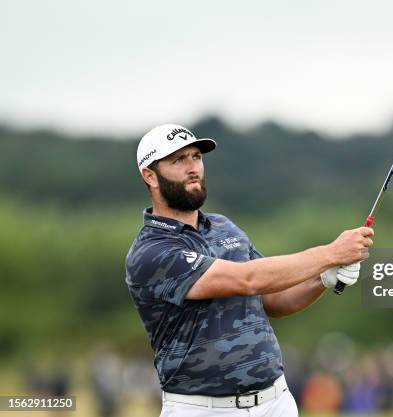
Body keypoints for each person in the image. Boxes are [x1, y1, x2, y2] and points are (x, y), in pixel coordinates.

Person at [125, 123, 374, 417]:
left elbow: (274, 300)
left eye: (196, 157)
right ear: (150, 176)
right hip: (203, 409)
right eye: (178, 160)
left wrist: (322, 278)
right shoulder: (151, 252)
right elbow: (248, 279)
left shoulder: (223, 227)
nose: (193, 167)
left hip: (276, 401)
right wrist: (330, 253)